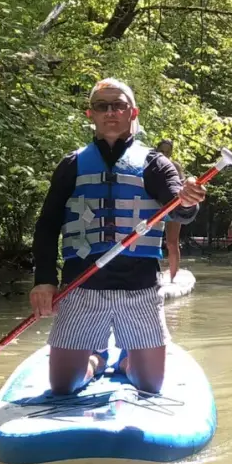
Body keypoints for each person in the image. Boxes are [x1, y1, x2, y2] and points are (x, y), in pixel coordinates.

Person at [30, 78, 206, 396]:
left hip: (138, 289)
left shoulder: (156, 164)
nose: (111, 112)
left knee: (150, 385)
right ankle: (98, 358)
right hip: (80, 288)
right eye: (102, 106)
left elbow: (178, 210)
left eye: (119, 105)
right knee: (63, 386)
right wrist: (44, 279)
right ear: (91, 114)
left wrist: (187, 199)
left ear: (132, 112)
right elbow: (47, 225)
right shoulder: (71, 165)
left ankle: (128, 361)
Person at [155, 138, 184, 280]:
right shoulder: (150, 165)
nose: (165, 155)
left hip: (172, 208)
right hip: (155, 208)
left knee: (172, 243)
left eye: (168, 152)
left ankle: (173, 278)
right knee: (152, 241)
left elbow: (182, 186)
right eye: (162, 151)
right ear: (156, 151)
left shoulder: (176, 167)